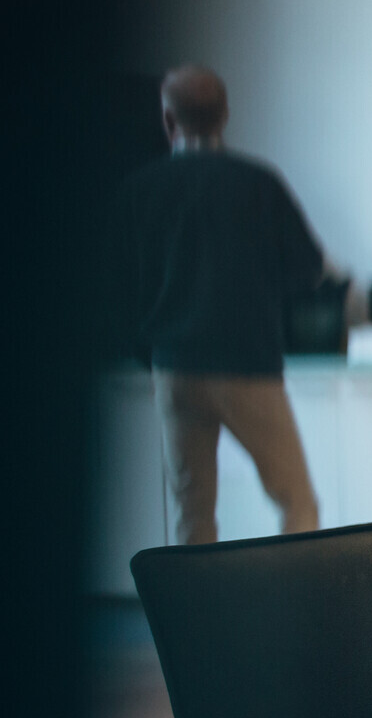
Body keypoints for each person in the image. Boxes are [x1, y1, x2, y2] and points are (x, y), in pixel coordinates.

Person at [117, 64, 327, 544]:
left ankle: (192, 619)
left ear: (168, 120)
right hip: (247, 366)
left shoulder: (139, 191)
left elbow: (121, 293)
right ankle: (298, 608)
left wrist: (150, 357)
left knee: (191, 514)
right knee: (296, 500)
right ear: (225, 114)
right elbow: (308, 268)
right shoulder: (257, 184)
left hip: (174, 370)